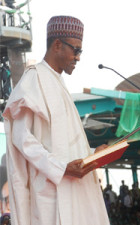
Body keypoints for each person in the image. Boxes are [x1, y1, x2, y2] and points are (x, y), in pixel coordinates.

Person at [3, 16, 110, 225]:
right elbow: (22, 138)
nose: (78, 57)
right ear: (57, 45)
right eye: (76, 50)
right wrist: (61, 168)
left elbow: (64, 144)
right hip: (51, 196)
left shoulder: (58, 82)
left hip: (75, 190)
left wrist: (92, 155)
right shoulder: (34, 79)